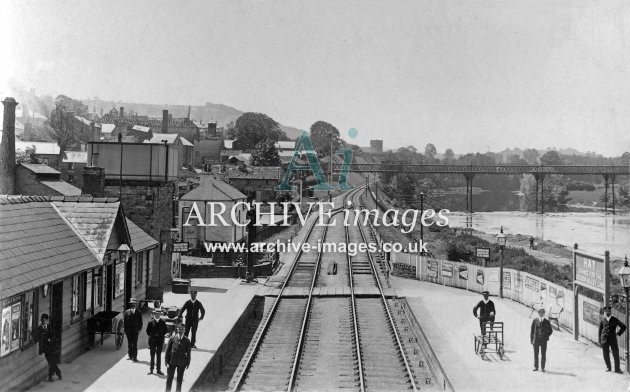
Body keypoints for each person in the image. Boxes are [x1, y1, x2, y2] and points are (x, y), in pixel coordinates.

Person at [599, 306, 626, 373]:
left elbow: (624, 327)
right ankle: (608, 367)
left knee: (616, 354)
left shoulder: (614, 319)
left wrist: (618, 333)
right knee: (605, 354)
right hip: (604, 339)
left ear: (610, 311)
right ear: (604, 312)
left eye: (608, 311)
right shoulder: (602, 320)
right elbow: (600, 331)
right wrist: (599, 341)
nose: (607, 312)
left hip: (613, 339)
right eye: (606, 311)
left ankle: (617, 369)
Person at [165, 323, 191, 392]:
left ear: (184, 330)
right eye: (179, 328)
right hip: (172, 362)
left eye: (182, 329)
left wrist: (188, 363)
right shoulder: (172, 338)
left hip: (181, 363)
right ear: (177, 329)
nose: (181, 330)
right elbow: (167, 351)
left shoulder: (187, 341)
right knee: (169, 379)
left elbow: (188, 353)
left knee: (179, 380)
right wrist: (166, 362)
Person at [37, 313, 62, 382]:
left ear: (47, 320)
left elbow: (53, 336)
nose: (43, 322)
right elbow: (38, 337)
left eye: (44, 320)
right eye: (42, 320)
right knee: (51, 362)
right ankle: (58, 373)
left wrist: (50, 339)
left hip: (51, 348)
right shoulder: (39, 328)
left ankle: (52, 376)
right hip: (45, 349)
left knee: (51, 362)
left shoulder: (50, 327)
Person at [146, 309, 167, 375]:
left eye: (158, 314)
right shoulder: (150, 322)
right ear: (154, 314)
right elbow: (147, 331)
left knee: (158, 356)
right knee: (152, 356)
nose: (157, 315)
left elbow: (165, 331)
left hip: (160, 342)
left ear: (160, 315)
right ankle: (151, 370)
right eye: (156, 314)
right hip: (152, 342)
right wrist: (152, 336)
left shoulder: (163, 322)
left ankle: (158, 370)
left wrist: (160, 336)